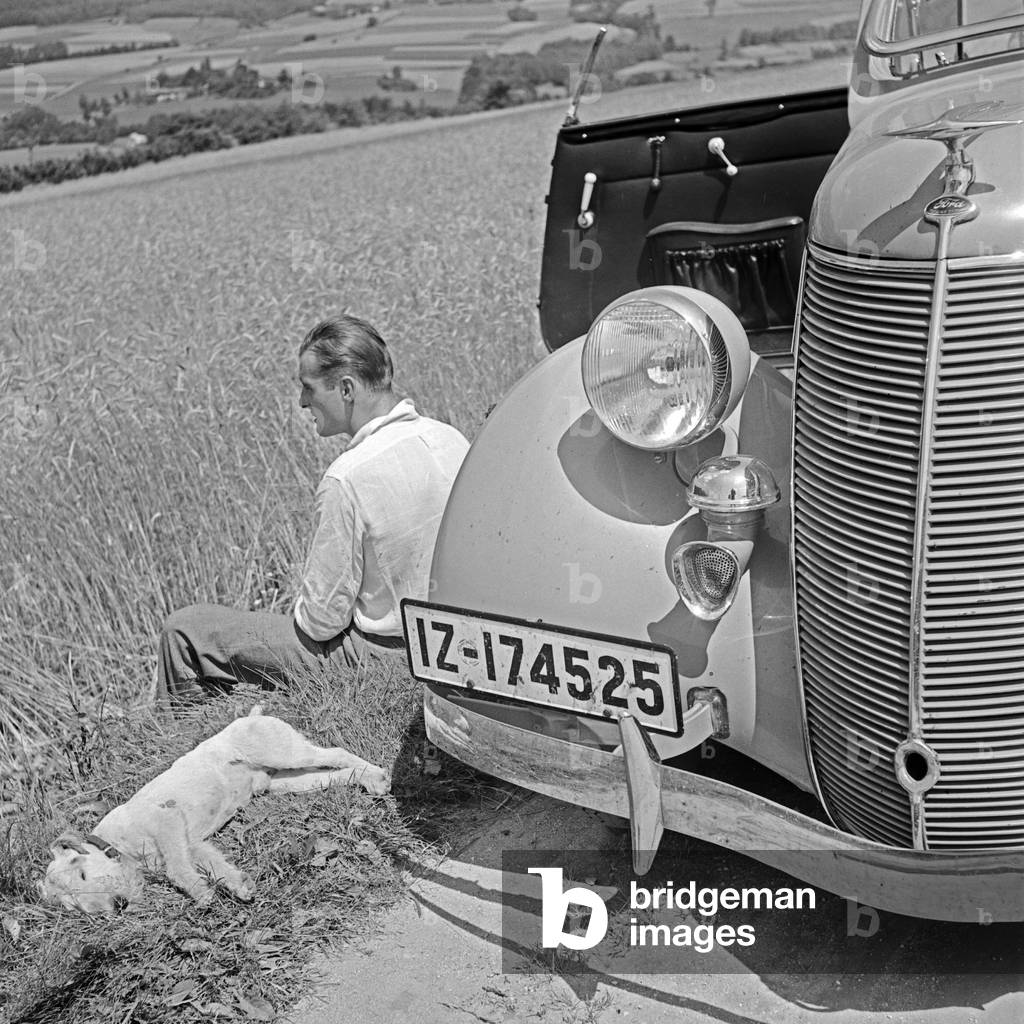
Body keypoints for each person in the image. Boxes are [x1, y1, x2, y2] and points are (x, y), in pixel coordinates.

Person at [155, 314, 469, 704]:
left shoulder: (349, 477)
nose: (304, 402)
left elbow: (320, 624)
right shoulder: (451, 439)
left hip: (390, 659)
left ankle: (189, 750)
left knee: (186, 630)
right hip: (456, 648)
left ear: (347, 388)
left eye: (309, 388)